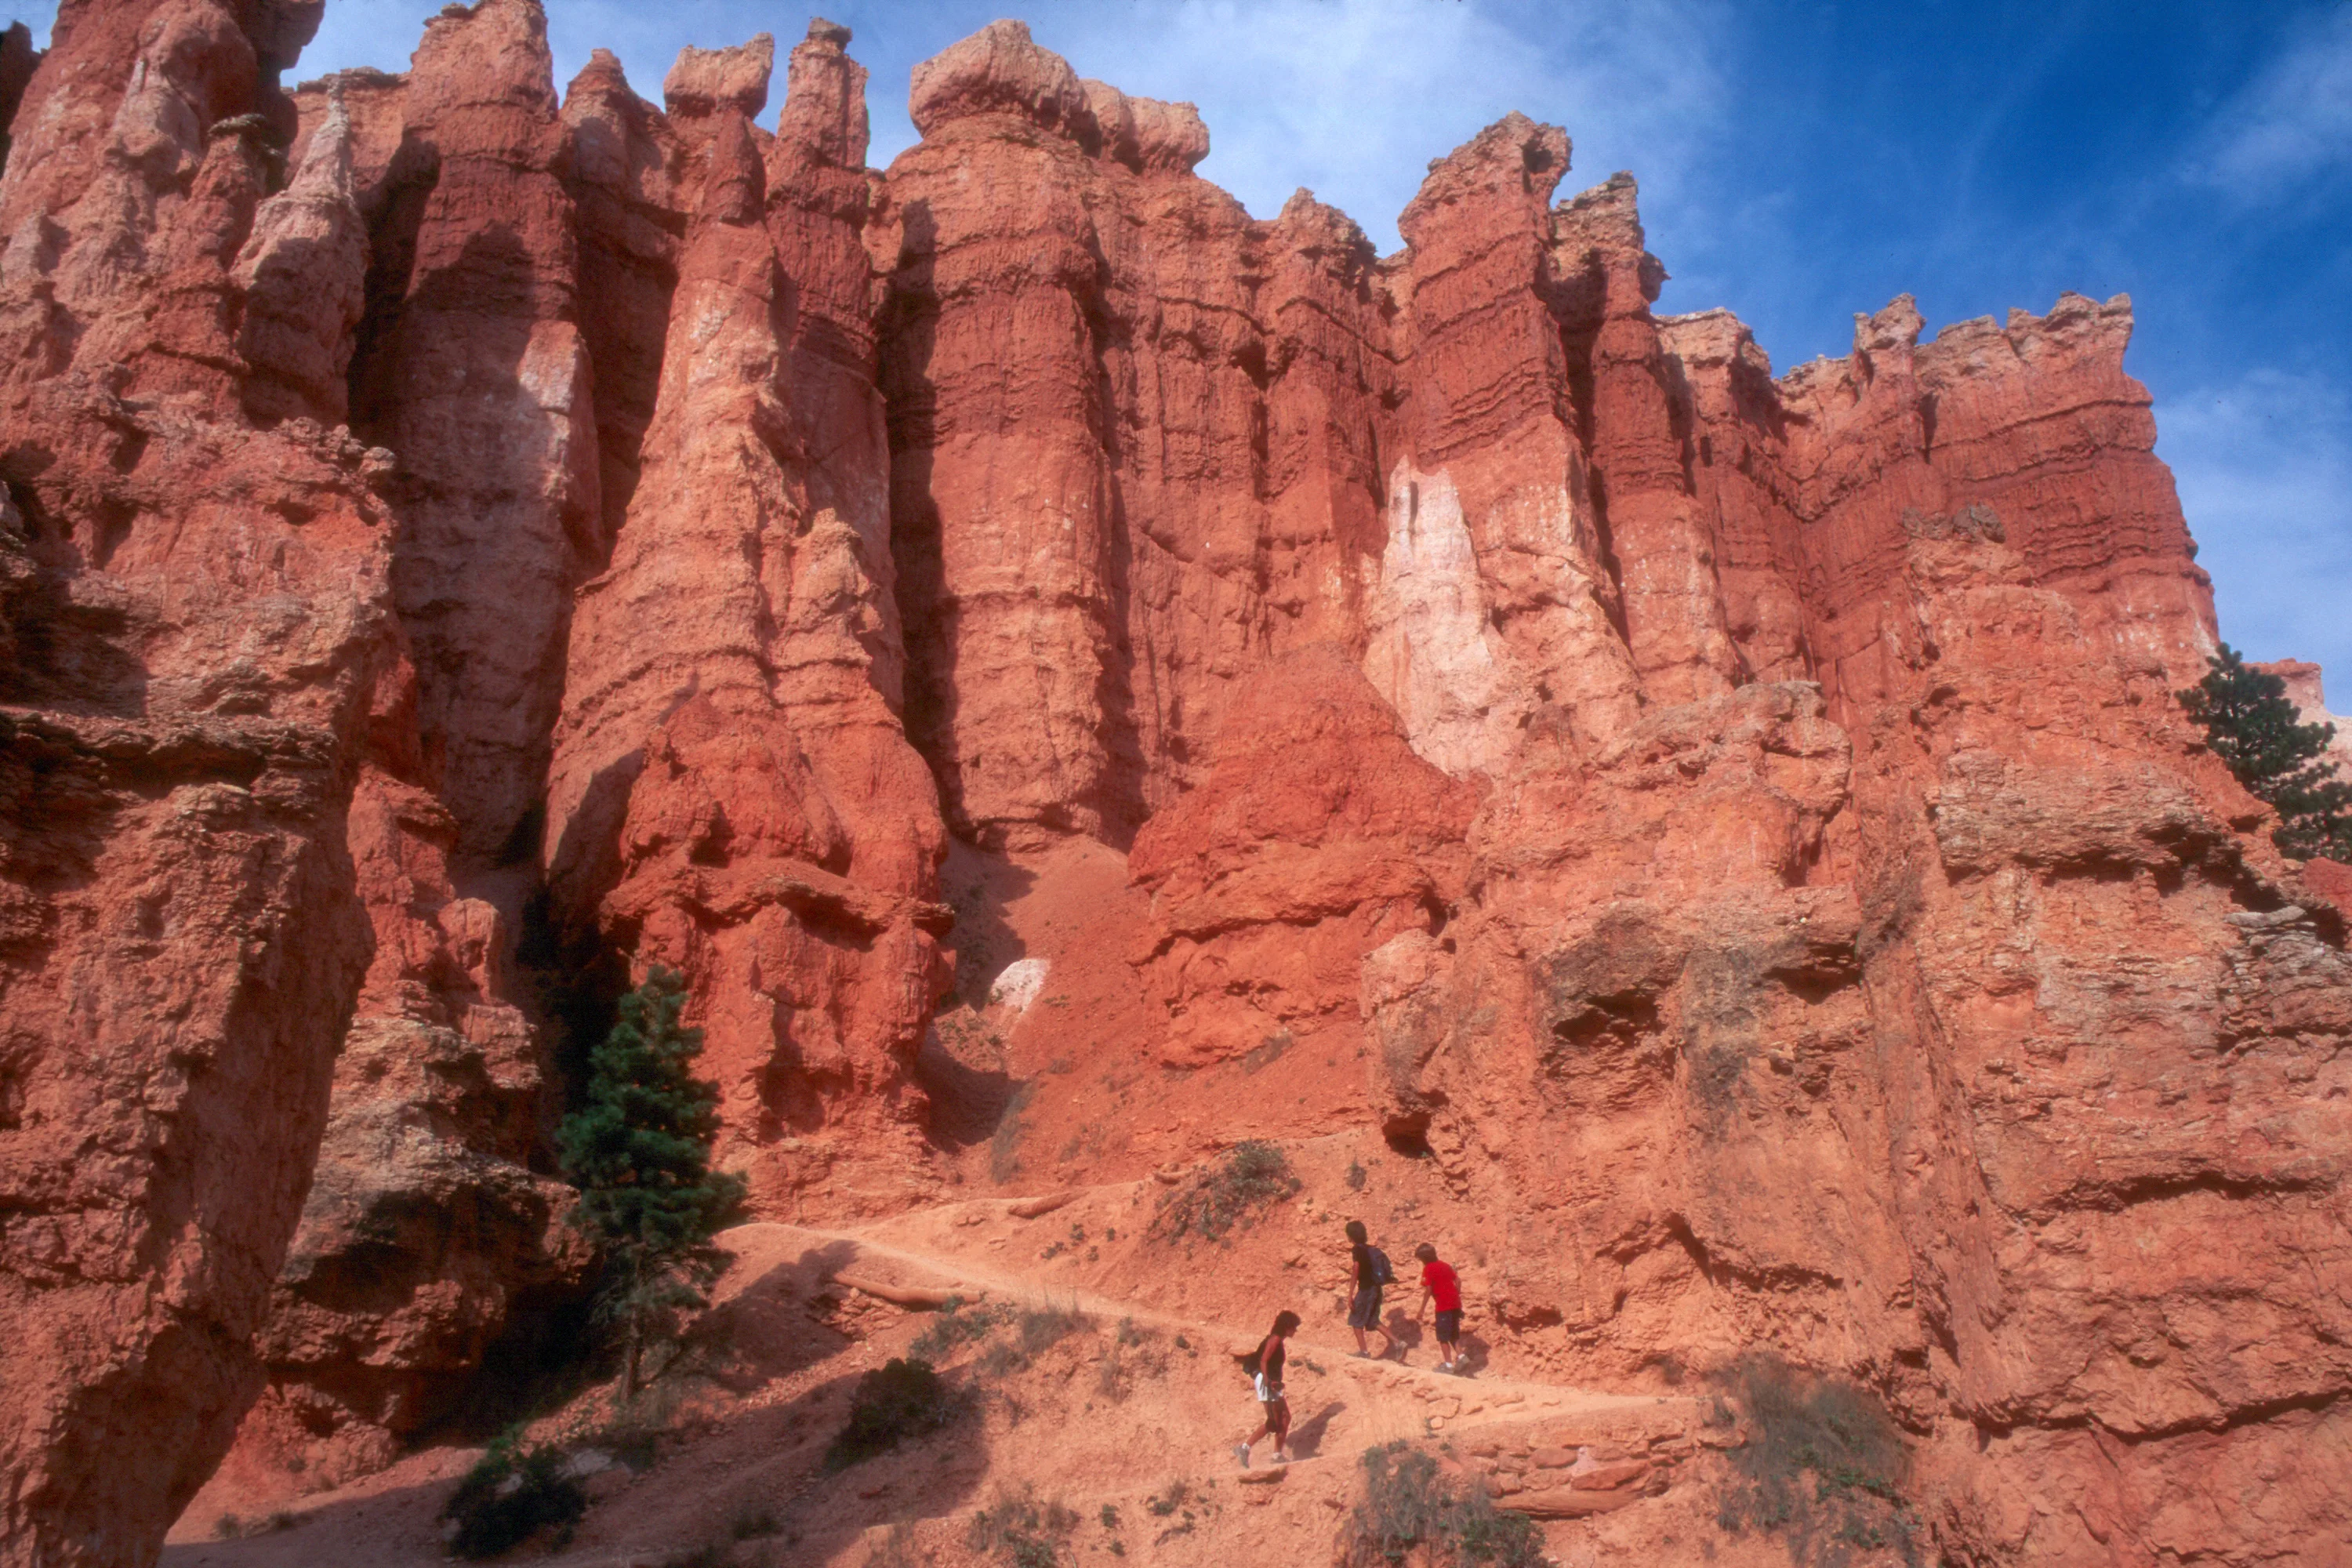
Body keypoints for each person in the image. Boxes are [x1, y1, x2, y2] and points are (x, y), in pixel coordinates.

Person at [1236, 1309, 1300, 1467]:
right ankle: (1245, 1448)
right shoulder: (1275, 1340)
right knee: (1275, 1420)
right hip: (1266, 1382)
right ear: (1287, 1327)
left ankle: (1276, 1454)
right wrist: (1267, 1381)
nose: (1295, 1331)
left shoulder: (1278, 1340)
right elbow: (1264, 1360)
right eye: (1294, 1327)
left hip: (1271, 1382)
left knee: (1284, 1417)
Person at [1345, 1220, 1396, 1359]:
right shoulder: (1370, 1249)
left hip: (1366, 1289)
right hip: (1377, 1289)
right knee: (1373, 1321)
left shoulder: (1357, 1250)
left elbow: (1356, 1268)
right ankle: (1398, 1343)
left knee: (1356, 1320)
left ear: (1350, 1236)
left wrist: (1350, 1294)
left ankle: (1364, 1352)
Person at [1414, 1243, 1465, 1374]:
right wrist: (1457, 1295)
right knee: (1453, 1333)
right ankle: (1461, 1356)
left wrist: (1421, 1310)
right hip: (1455, 1304)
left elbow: (1428, 1289)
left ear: (1424, 1258)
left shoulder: (1429, 1268)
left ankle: (1448, 1365)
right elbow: (1458, 1281)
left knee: (1442, 1337)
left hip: (1443, 1306)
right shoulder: (1445, 1265)